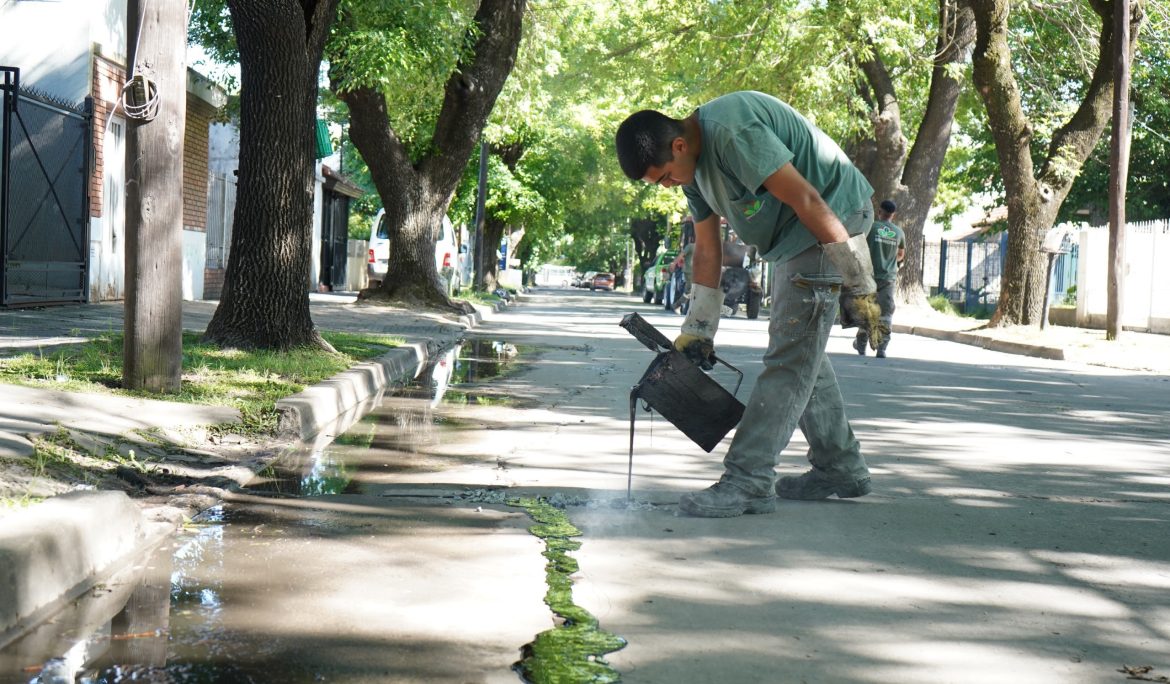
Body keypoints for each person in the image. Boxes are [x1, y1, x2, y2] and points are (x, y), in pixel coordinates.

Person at [615, 90, 885, 518]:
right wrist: (698, 330)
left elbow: (808, 200)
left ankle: (748, 481)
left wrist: (860, 283)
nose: (667, 185)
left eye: (664, 176)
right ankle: (840, 466)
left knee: (790, 360)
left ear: (679, 146)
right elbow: (708, 248)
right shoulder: (692, 170)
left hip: (831, 220)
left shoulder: (732, 131)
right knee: (802, 351)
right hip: (793, 239)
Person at [850, 199, 905, 358]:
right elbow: (901, 255)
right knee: (885, 313)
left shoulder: (871, 227)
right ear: (893, 215)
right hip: (888, 278)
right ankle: (882, 347)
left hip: (868, 276)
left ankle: (861, 345)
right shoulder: (899, 232)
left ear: (879, 211)